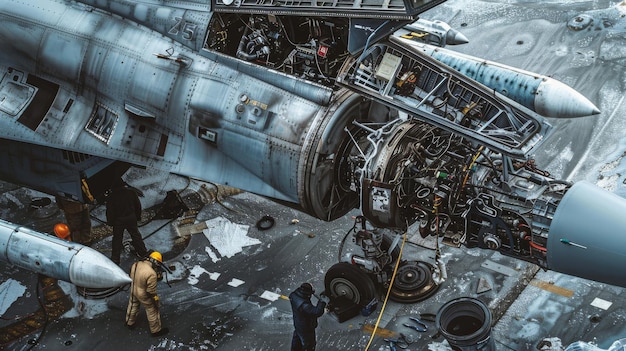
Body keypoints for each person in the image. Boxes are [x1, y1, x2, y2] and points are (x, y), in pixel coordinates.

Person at [125, 251, 169, 337]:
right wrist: (155, 300)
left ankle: (129, 322)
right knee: (152, 311)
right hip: (143, 294)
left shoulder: (136, 264)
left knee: (133, 306)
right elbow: (151, 291)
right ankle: (156, 331)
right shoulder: (151, 274)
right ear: (156, 262)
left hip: (134, 288)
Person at [106, 178, 148, 264]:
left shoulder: (111, 196)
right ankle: (143, 252)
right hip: (131, 218)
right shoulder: (131, 192)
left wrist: (110, 222)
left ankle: (115, 258)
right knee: (136, 235)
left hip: (118, 221)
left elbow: (110, 211)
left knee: (117, 239)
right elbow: (137, 205)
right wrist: (138, 217)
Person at [289, 282, 329, 351]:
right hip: (306, 328)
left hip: (298, 324)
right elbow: (317, 312)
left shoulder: (293, 295)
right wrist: (322, 302)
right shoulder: (304, 305)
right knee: (309, 345)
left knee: (297, 340)